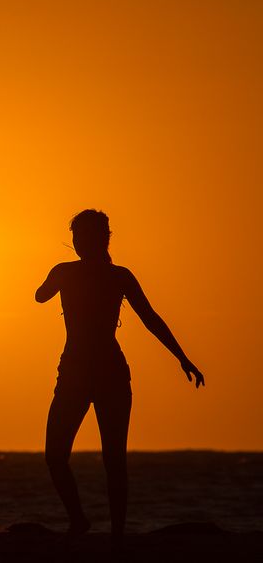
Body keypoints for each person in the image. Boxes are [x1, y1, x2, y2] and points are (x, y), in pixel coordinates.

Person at [35, 210, 204, 541]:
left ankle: (117, 536)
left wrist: (182, 358)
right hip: (73, 373)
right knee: (55, 456)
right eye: (77, 237)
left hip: (110, 373)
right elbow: (40, 295)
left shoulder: (119, 277)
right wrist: (59, 277)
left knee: (114, 458)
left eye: (87, 236)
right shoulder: (69, 272)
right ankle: (79, 521)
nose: (80, 242)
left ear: (104, 239)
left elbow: (150, 318)